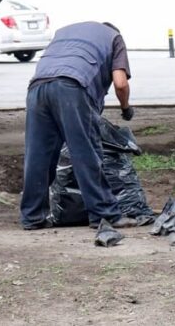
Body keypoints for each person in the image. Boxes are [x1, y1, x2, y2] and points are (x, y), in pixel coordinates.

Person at [19, 21, 135, 231]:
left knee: (38, 156)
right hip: (72, 87)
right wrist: (126, 108)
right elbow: (120, 83)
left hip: (37, 88)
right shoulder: (114, 38)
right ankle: (104, 215)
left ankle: (32, 217)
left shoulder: (64, 33)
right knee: (86, 152)